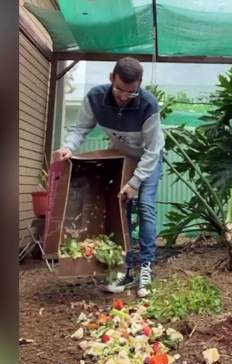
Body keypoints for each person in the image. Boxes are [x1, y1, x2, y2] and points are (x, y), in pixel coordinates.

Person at [52, 57, 164, 298]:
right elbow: (80, 129)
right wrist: (68, 147)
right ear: (111, 78)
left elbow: (153, 150)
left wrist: (134, 183)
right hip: (123, 159)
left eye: (130, 92)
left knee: (144, 205)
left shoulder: (148, 105)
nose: (124, 96)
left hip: (148, 159)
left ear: (139, 84)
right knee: (120, 209)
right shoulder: (95, 98)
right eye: (119, 90)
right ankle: (125, 270)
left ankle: (145, 268)